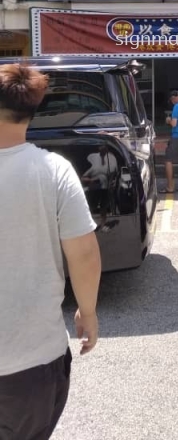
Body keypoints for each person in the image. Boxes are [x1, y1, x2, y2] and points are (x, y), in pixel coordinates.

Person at [0, 63, 101, 440]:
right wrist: (87, 313)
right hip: (32, 363)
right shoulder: (54, 171)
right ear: (32, 110)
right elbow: (85, 253)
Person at [82, 144, 118, 233]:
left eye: (105, 147)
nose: (103, 149)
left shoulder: (111, 159)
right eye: (101, 147)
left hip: (105, 188)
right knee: (91, 206)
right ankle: (88, 226)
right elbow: (83, 177)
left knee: (103, 208)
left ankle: (102, 225)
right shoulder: (92, 159)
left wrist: (112, 182)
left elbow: (114, 173)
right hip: (94, 189)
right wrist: (91, 180)